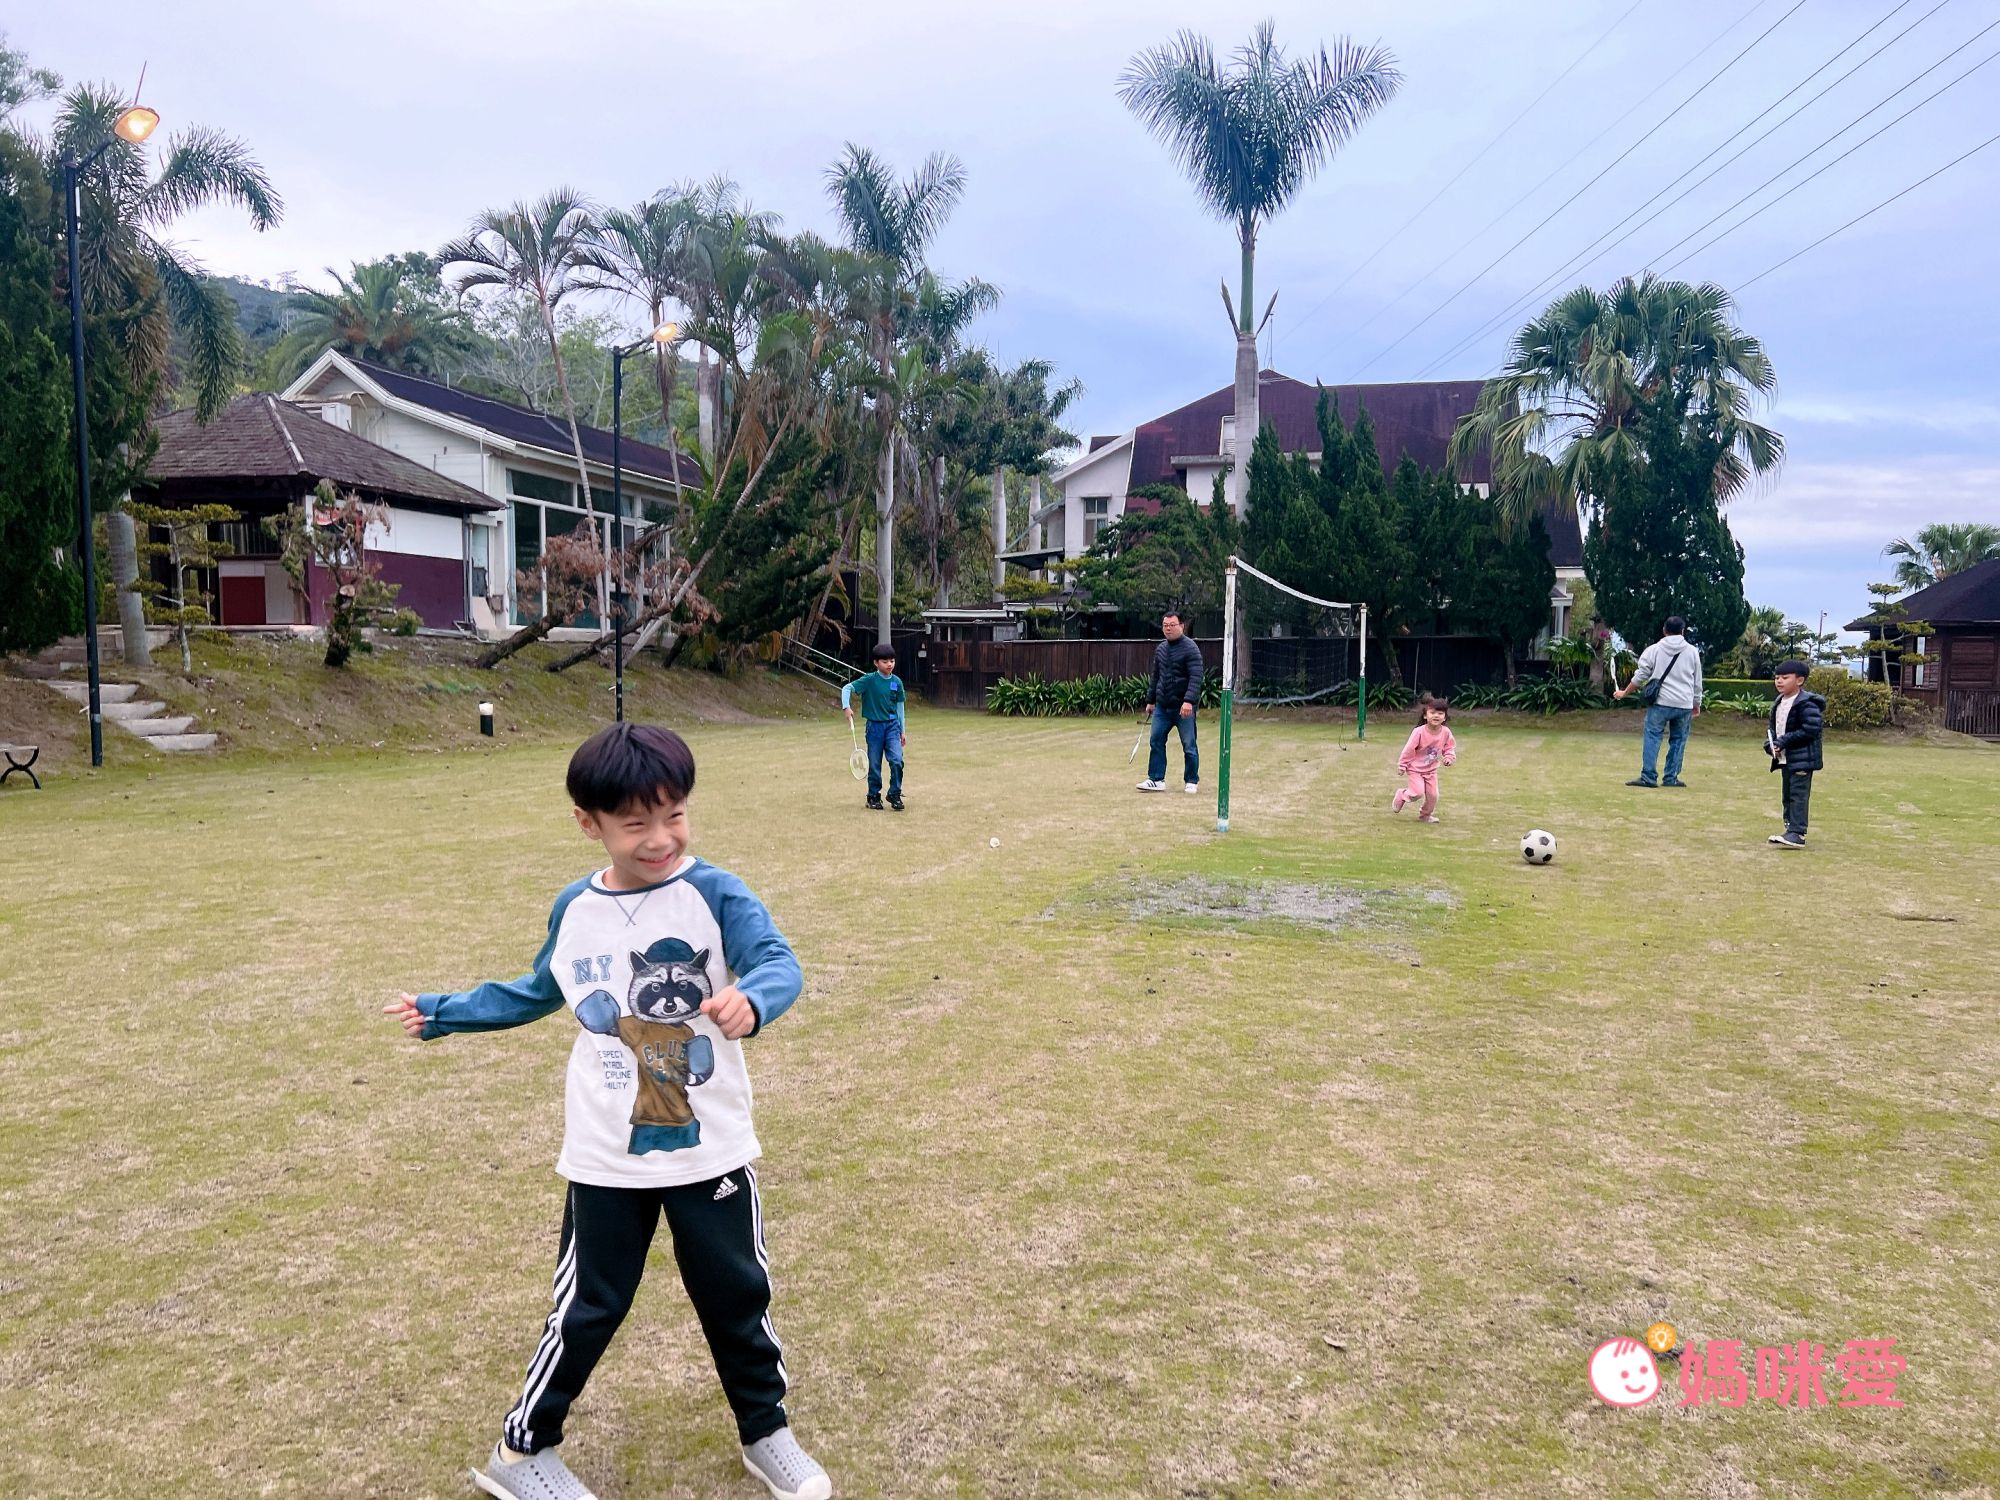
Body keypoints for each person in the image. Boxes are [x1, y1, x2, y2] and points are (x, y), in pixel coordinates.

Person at [383, 723, 831, 1500]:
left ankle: (767, 1432)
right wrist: (444, 1012)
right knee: (588, 1306)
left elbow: (777, 961)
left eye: (675, 815)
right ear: (589, 823)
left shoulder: (716, 892)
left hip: (712, 1149)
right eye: (635, 822)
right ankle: (522, 1452)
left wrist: (754, 1000)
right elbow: (535, 992)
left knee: (738, 1296)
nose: (660, 838)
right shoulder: (576, 908)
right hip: (605, 1154)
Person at [1613, 615, 1704, 787]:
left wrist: (1624, 692)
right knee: (1678, 740)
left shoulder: (1654, 650)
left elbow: (1640, 676)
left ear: (1664, 630)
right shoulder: (1692, 652)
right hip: (1683, 703)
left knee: (1653, 737)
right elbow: (1697, 681)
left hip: (1660, 702)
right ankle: (1671, 777)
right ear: (1683, 631)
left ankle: (1648, 776)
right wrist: (1696, 703)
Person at [1137, 610, 1205, 794]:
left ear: (1181, 626)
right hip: (1162, 707)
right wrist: (1151, 700)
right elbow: (1155, 677)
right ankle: (1156, 779)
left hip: (1183, 708)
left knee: (1189, 745)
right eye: (1165, 625)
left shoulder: (1191, 648)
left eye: (1172, 625)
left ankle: (1191, 780)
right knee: (1156, 741)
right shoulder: (1160, 649)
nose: (1168, 628)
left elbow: (1196, 677)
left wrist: (1188, 701)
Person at [1764, 658, 1825, 850]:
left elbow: (1810, 729)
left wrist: (1784, 741)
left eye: (1785, 677)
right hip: (1786, 759)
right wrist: (1771, 745)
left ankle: (1797, 833)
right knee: (1788, 794)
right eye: (1777, 677)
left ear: (1799, 680)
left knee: (1798, 795)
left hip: (1802, 759)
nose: (1779, 681)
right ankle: (1790, 829)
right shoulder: (1779, 702)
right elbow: (1774, 729)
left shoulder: (1807, 704)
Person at [842, 642, 907, 811]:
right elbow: (847, 688)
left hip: (892, 727)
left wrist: (903, 731)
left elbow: (900, 707)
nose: (889, 664)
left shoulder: (897, 682)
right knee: (874, 764)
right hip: (874, 728)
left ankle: (894, 794)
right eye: (885, 661)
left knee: (897, 760)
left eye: (892, 661)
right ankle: (873, 796)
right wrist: (846, 707)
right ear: (876, 663)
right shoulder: (869, 680)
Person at [1392, 693, 1457, 823]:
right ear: (1425, 715)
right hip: (1415, 769)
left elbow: (1449, 747)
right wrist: (1402, 765)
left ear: (1445, 717)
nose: (1436, 716)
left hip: (1431, 770)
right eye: (1432, 713)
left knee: (1433, 796)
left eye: (1440, 713)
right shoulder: (1419, 732)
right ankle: (1402, 795)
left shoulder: (1446, 732)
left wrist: (1449, 757)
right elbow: (1409, 749)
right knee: (1417, 793)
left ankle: (1425, 815)